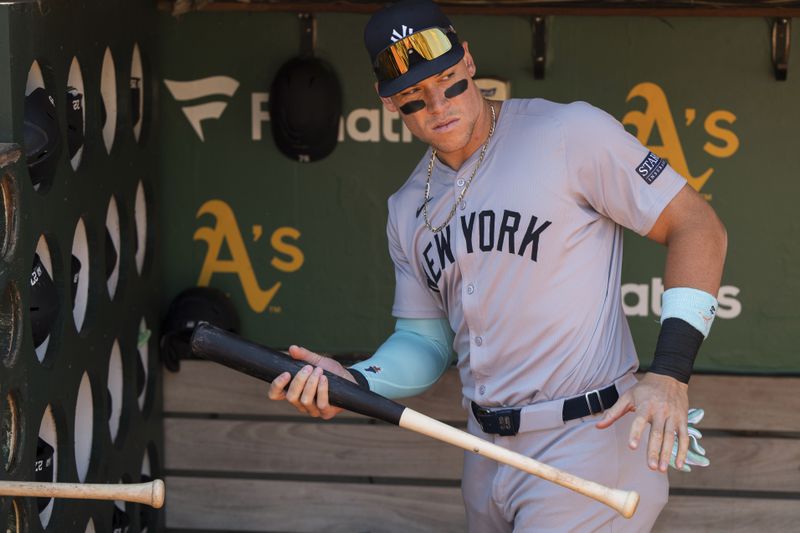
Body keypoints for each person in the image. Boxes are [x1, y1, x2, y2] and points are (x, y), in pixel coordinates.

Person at [267, 0, 727, 530]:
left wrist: (670, 372)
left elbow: (697, 226)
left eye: (449, 82)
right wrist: (355, 379)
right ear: (388, 101)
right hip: (483, 450)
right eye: (415, 98)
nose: (439, 106)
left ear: (467, 60)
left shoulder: (568, 133)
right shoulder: (406, 208)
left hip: (589, 437)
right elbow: (424, 343)